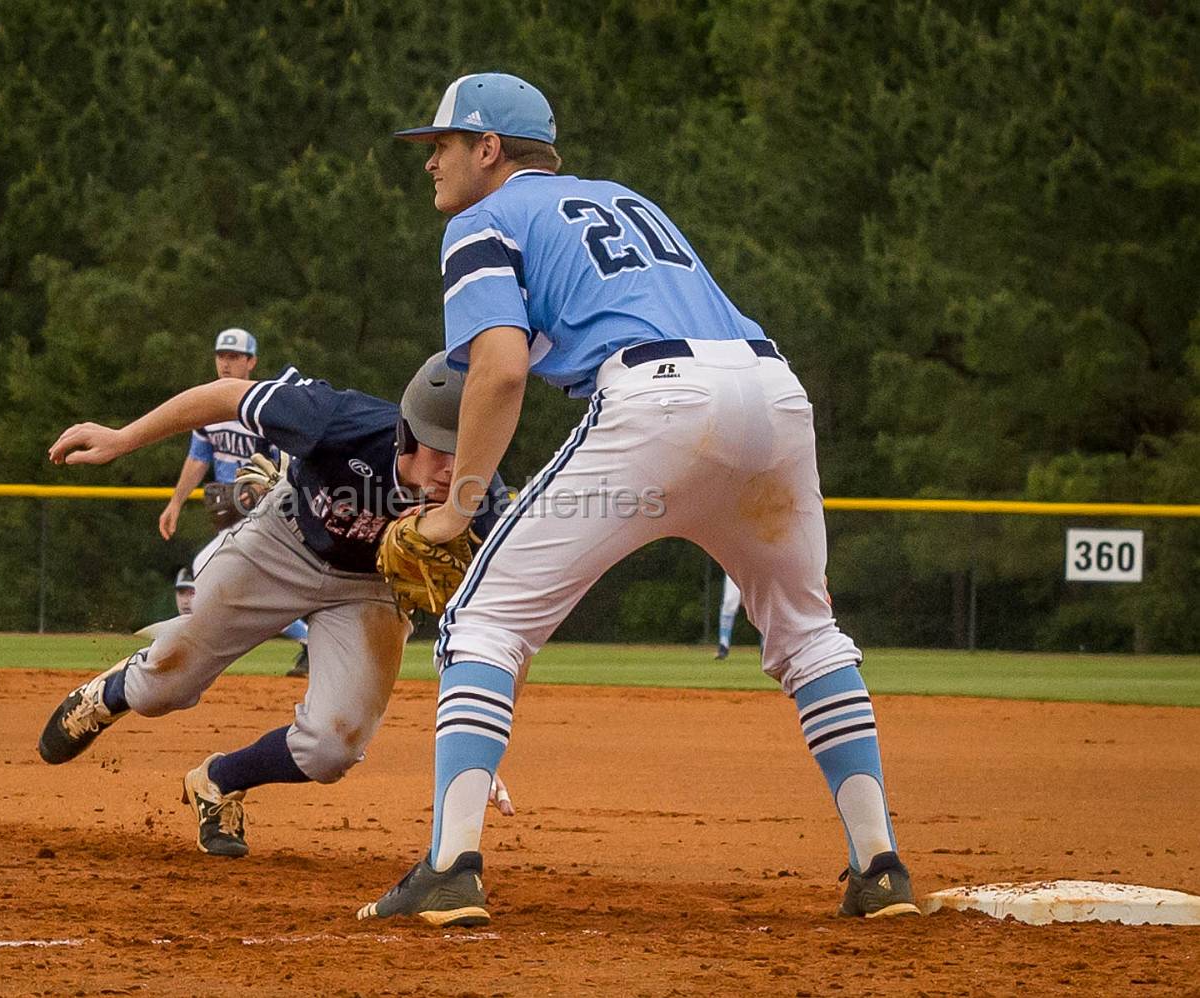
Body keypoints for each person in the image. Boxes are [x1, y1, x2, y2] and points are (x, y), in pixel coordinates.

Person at [357, 73, 917, 926]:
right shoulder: (622, 197)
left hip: (658, 398)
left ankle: (449, 867)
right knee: (807, 633)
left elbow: (501, 369)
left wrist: (455, 507)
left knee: (484, 623)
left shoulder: (484, 219)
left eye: (440, 144)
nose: (429, 160)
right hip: (771, 390)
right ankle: (879, 868)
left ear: (488, 149)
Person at [38, 354, 512, 858]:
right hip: (280, 544)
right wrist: (123, 437)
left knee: (332, 749)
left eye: (471, 451)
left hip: (370, 587)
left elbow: (490, 618)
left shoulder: (478, 492)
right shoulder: (336, 419)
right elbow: (222, 397)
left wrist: (476, 741)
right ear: (407, 434)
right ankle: (111, 692)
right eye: (444, 451)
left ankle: (216, 782)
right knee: (164, 689)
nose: (455, 469)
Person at [161, 327, 309, 678]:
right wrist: (175, 503)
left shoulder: (263, 408)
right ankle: (309, 639)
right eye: (221, 356)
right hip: (230, 510)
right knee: (256, 584)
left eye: (234, 357)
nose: (226, 364)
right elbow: (198, 460)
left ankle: (197, 651)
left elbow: (290, 464)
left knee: (204, 565)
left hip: (266, 510)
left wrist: (266, 492)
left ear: (251, 362)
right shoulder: (208, 408)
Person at [715, 572, 742, 660]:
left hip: (758, 565)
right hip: (735, 566)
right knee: (729, 603)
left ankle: (766, 646)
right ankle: (724, 644)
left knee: (763, 605)